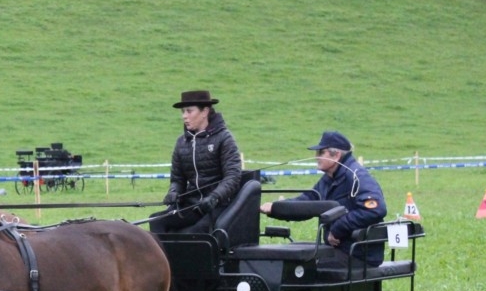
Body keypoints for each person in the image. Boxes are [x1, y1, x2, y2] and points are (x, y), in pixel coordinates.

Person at [259, 130, 387, 265]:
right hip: (339, 249)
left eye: (321, 152)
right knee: (292, 255)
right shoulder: (329, 178)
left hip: (358, 255)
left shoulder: (357, 176)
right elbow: (307, 201)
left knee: (305, 265)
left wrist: (337, 229)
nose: (316, 157)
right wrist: (277, 208)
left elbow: (375, 209)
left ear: (336, 155)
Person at [150, 89, 243, 233]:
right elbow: (177, 179)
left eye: (189, 111)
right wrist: (174, 192)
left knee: (191, 234)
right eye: (183, 112)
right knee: (156, 221)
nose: (184, 116)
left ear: (204, 111)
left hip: (218, 206)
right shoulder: (181, 143)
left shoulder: (224, 139)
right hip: (192, 206)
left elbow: (233, 176)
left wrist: (215, 197)